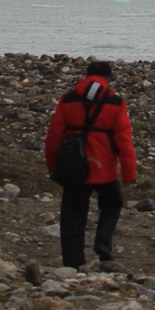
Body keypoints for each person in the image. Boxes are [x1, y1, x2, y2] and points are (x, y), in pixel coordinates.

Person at [45, 59, 139, 270]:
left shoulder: (68, 100)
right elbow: (124, 142)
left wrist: (53, 167)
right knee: (112, 204)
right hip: (103, 167)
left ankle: (73, 264)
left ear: (86, 76)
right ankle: (103, 241)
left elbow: (53, 138)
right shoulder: (115, 102)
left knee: (72, 217)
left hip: (74, 168)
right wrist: (129, 173)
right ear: (108, 78)